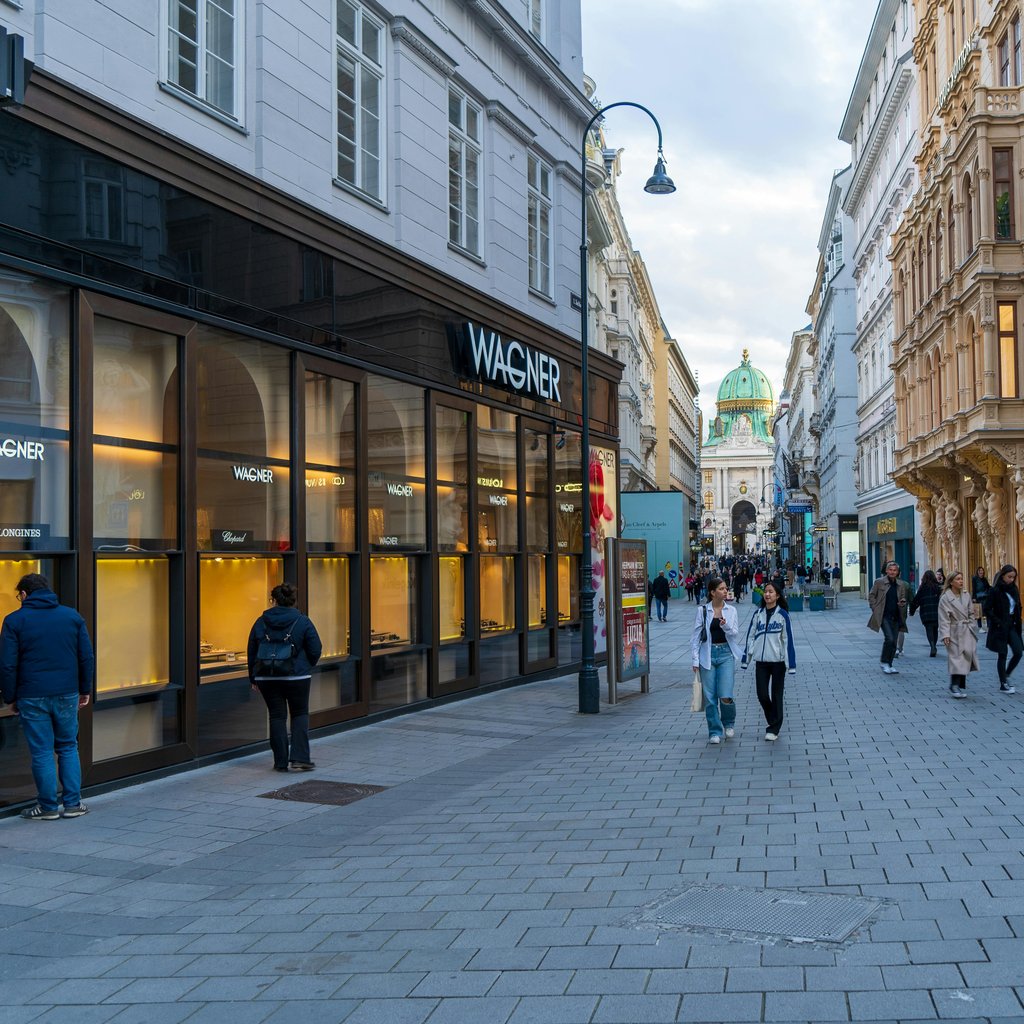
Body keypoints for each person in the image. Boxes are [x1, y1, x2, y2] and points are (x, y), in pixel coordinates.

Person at [0, 573, 94, 820]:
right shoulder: (71, 616)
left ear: (24, 594)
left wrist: (10, 697)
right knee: (68, 746)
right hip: (67, 693)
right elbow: (86, 657)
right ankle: (73, 804)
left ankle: (48, 807)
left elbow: (7, 665)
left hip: (32, 695)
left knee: (41, 751)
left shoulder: (14, 621)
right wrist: (85, 689)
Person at [247, 582, 323, 771]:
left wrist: (253, 678)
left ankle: (280, 762)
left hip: (266, 676)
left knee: (276, 716)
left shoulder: (260, 621)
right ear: (293, 601)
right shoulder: (303, 621)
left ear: (273, 600)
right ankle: (299, 758)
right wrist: (305, 666)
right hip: (297, 677)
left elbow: (252, 650)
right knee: (299, 714)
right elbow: (316, 649)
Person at [741, 581, 796, 741]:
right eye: (766, 592)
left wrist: (790, 664)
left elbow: (788, 640)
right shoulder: (757, 614)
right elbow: (750, 636)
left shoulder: (783, 615)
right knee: (762, 694)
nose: (767, 594)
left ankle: (773, 728)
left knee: (777, 695)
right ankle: (773, 720)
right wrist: (746, 658)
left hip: (778, 662)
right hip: (761, 662)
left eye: (771, 592)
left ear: (777, 595)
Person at [690, 576, 742, 745]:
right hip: (708, 655)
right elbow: (696, 637)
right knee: (710, 697)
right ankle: (714, 731)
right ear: (712, 593)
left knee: (726, 694)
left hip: (726, 653)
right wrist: (695, 660)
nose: (725, 591)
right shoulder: (702, 611)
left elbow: (734, 633)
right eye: (721, 589)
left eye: (726, 588)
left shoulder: (731, 611)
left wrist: (725, 625)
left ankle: (728, 723)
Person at [938, 571, 978, 699]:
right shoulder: (945, 598)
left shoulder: (966, 595)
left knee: (966, 657)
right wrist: (945, 635)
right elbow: (944, 618)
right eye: (958, 579)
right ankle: (954, 685)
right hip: (954, 631)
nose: (961, 581)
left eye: (962, 579)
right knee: (956, 658)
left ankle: (959, 685)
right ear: (951, 582)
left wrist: (972, 626)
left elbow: (971, 613)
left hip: (966, 630)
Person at [984, 564, 1022, 694]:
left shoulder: (1014, 589)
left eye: (1013, 577)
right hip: (1000, 626)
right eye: (1009, 577)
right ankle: (1003, 683)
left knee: (1018, 651)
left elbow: (1018, 606)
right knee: (1003, 654)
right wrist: (998, 622)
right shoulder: (995, 590)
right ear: (1003, 576)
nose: (1011, 579)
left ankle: (1006, 674)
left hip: (1012, 625)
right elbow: (987, 609)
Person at [867, 560, 910, 674]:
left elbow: (903, 598)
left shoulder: (901, 585)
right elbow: (871, 595)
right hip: (883, 615)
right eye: (890, 570)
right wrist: (874, 608)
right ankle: (884, 662)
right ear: (886, 571)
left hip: (896, 615)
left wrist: (903, 602)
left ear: (897, 572)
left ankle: (890, 664)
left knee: (894, 641)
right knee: (889, 638)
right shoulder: (879, 582)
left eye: (894, 570)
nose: (892, 572)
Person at [909, 569, 942, 657]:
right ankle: (934, 645)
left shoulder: (922, 588)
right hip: (936, 612)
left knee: (929, 629)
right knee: (935, 629)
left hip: (926, 613)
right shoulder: (938, 587)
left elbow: (916, 601)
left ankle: (932, 646)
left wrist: (912, 611)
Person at [971, 567, 990, 632]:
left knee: (987, 612)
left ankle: (988, 626)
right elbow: (974, 589)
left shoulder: (984, 579)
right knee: (978, 612)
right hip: (978, 598)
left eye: (982, 571)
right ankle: (980, 627)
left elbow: (988, 587)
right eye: (980, 571)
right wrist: (973, 598)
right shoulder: (974, 579)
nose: (981, 572)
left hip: (985, 597)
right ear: (978, 572)